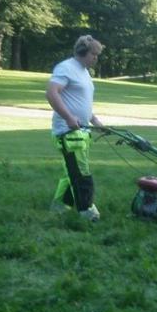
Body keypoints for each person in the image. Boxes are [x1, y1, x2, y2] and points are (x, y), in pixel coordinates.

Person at [46, 35, 105, 221]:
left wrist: (95, 121)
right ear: (82, 52)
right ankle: (87, 211)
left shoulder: (84, 72)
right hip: (68, 131)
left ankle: (59, 206)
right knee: (80, 172)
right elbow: (51, 93)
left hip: (83, 131)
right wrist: (69, 118)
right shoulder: (66, 68)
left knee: (70, 170)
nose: (96, 58)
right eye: (93, 54)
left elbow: (82, 102)